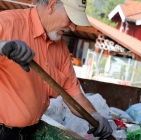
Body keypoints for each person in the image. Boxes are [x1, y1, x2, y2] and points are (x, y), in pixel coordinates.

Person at [0, 0, 113, 139]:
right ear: (52, 6)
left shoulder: (61, 48)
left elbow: (72, 92)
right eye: (71, 19)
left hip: (28, 133)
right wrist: (2, 47)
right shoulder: (7, 23)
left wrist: (93, 115)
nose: (73, 28)